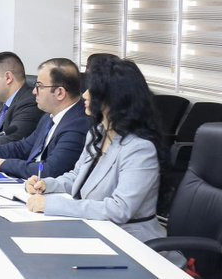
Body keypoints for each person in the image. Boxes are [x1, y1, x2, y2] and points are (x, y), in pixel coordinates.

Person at [24, 55, 164, 245]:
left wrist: (53, 204)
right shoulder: (98, 133)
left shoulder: (139, 149)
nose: (84, 95)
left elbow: (119, 209)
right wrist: (47, 185)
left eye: (92, 90)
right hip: (93, 230)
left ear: (112, 98)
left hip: (131, 241)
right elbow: (77, 177)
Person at [0, 58, 90, 180]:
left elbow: (49, 170)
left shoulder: (77, 125)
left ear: (59, 93)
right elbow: (22, 148)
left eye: (39, 86)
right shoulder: (49, 117)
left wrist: (5, 164)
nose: (34, 91)